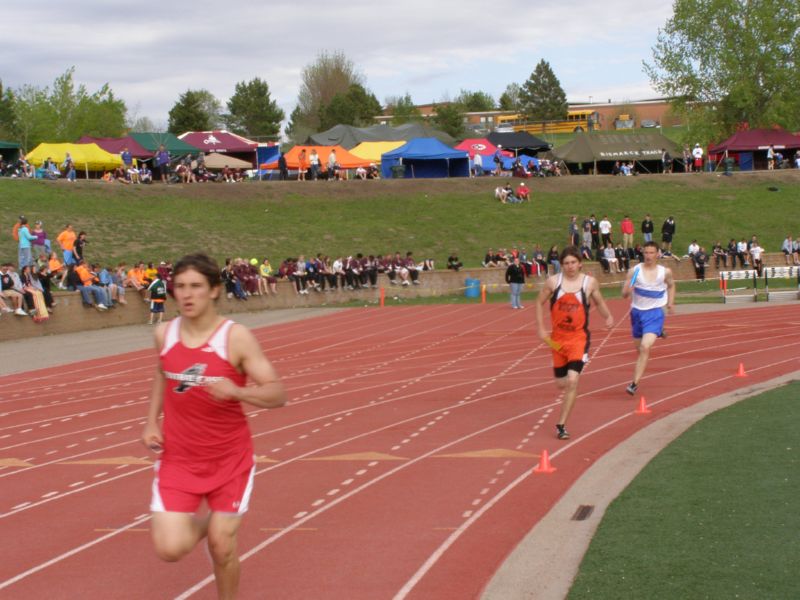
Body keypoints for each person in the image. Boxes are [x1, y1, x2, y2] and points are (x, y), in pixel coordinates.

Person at [141, 253, 286, 600]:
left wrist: (237, 390)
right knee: (170, 548)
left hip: (228, 458)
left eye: (196, 287)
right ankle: (213, 520)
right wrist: (150, 422)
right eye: (180, 287)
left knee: (222, 547)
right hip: (179, 457)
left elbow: (278, 392)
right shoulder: (164, 334)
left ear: (215, 291)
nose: (187, 295)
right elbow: (162, 374)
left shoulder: (234, 338)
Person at [536, 246, 614, 440]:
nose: (570, 266)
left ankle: (561, 424)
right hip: (556, 341)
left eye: (573, 262)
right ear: (561, 265)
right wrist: (540, 327)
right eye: (566, 263)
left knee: (572, 380)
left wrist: (608, 316)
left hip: (579, 340)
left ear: (580, 263)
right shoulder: (553, 282)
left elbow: (599, 303)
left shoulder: (589, 283)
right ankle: (568, 384)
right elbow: (539, 303)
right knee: (561, 383)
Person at [621, 241, 676, 396]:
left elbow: (671, 286)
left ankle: (634, 384)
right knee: (639, 350)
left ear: (658, 254)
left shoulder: (665, 272)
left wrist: (671, 303)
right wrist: (627, 290)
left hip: (655, 313)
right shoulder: (635, 272)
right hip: (637, 313)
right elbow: (625, 293)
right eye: (646, 252)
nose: (648, 256)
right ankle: (658, 331)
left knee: (645, 347)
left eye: (652, 253)